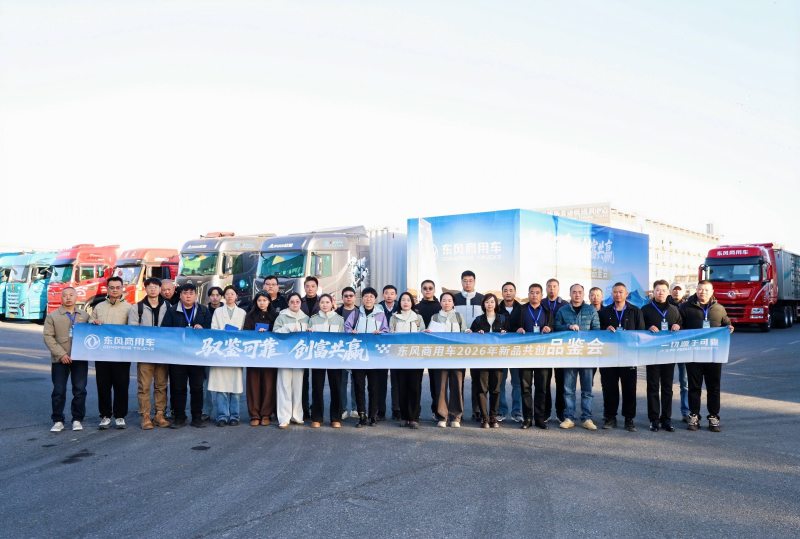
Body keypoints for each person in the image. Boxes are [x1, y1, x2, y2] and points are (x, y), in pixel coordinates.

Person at [680, 280, 734, 432]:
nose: (702, 292)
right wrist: (677, 326)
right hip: (693, 354)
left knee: (713, 387)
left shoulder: (719, 308)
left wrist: (729, 327)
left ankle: (713, 417)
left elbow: (726, 323)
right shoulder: (685, 307)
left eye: (706, 290)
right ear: (696, 290)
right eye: (700, 289)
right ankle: (694, 416)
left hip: (713, 355)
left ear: (712, 292)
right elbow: (679, 325)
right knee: (694, 387)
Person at [162, 282, 212, 428]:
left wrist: (203, 328)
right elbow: (165, 331)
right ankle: (179, 417)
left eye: (191, 293)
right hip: (178, 356)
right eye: (185, 293)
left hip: (197, 356)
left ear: (196, 295)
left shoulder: (203, 310)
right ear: (180, 295)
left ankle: (197, 417)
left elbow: (211, 331)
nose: (188, 296)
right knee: (178, 388)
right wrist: (178, 332)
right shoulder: (172, 311)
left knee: (197, 388)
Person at [598, 282, 645, 432]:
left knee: (629, 389)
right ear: (611, 294)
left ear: (626, 294)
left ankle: (629, 419)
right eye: (615, 292)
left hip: (628, 357)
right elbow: (597, 332)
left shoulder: (635, 311)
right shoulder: (604, 312)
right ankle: (610, 417)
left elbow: (641, 333)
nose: (618, 294)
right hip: (609, 356)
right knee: (609, 389)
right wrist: (605, 329)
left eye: (621, 292)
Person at [43, 287, 91, 432]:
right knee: (59, 390)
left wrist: (96, 322)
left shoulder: (84, 316)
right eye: (65, 295)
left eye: (71, 295)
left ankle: (77, 419)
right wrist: (61, 354)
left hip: (80, 359)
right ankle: (58, 420)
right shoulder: (53, 316)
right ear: (61, 298)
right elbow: (48, 337)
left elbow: (93, 332)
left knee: (80, 390)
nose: (68, 298)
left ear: (76, 297)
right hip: (60, 360)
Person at [128, 277, 172, 430]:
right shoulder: (137, 308)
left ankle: (159, 414)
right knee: (144, 386)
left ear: (160, 289)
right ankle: (145, 416)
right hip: (145, 353)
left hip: (163, 353)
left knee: (161, 385)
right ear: (145, 289)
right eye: (149, 286)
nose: (153, 289)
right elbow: (132, 330)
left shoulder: (168, 306)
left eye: (155, 286)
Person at [554, 284, 600, 430]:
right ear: (570, 294)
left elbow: (597, 330)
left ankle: (587, 418)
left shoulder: (591, 310)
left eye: (580, 292)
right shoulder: (562, 310)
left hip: (587, 356)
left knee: (587, 390)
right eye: (574, 292)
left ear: (583, 294)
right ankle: (569, 417)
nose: (577, 294)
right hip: (569, 354)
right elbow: (556, 327)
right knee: (568, 389)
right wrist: (568, 326)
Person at [641, 280, 683, 432]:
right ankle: (654, 419)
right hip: (652, 353)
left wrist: (678, 325)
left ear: (668, 292)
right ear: (653, 292)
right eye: (658, 290)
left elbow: (681, 325)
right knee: (653, 387)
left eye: (664, 290)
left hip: (668, 354)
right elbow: (638, 327)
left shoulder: (674, 310)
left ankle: (666, 419)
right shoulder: (645, 309)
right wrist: (647, 327)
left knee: (667, 388)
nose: (661, 293)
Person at [345, 287, 389, 427]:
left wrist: (380, 332)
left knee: (374, 387)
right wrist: (351, 331)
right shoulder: (355, 313)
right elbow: (346, 327)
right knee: (359, 387)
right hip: (358, 356)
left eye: (371, 296)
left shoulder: (380, 314)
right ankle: (362, 415)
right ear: (362, 298)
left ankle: (373, 416)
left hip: (374, 356)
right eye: (366, 296)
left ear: (375, 299)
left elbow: (386, 331)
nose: (368, 299)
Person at [90, 276, 130, 429]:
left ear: (122, 288)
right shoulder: (99, 307)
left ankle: (120, 416)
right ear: (107, 289)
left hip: (121, 354)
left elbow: (133, 329)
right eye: (111, 287)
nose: (115, 290)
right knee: (103, 386)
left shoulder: (129, 307)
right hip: (102, 353)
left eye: (118, 287)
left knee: (122, 386)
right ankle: (105, 415)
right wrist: (93, 323)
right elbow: (90, 325)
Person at [468, 293, 508, 428]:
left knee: (496, 389)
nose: (489, 304)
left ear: (496, 304)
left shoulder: (503, 319)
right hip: (482, 360)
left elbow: (511, 336)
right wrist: (474, 333)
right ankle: (484, 418)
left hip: (498, 359)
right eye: (487, 302)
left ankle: (493, 417)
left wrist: (505, 333)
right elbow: (470, 336)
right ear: (483, 304)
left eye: (492, 302)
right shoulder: (478, 320)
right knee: (482, 389)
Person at [517, 283, 554, 430]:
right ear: (528, 294)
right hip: (524, 354)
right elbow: (511, 326)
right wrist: (517, 329)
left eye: (537, 293)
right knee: (525, 388)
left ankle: (540, 418)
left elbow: (554, 328)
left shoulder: (547, 311)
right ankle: (527, 418)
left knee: (541, 388)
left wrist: (550, 328)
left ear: (542, 295)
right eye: (531, 292)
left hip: (542, 355)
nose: (534, 295)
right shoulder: (521, 310)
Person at [209, 285, 246, 427]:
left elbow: (245, 332)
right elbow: (213, 329)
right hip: (221, 352)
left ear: (236, 296)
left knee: (235, 387)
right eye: (227, 294)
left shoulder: (242, 312)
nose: (230, 296)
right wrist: (223, 333)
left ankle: (235, 415)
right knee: (221, 386)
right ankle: (222, 415)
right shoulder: (218, 311)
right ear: (224, 296)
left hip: (235, 352)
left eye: (232, 293)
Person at [273, 292, 309, 428]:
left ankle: (297, 415)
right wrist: (287, 328)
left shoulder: (306, 318)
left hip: (299, 356)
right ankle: (284, 417)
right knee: (284, 386)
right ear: (288, 303)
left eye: (297, 301)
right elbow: (275, 332)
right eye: (292, 302)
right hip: (285, 356)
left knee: (298, 387)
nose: (295, 304)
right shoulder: (281, 316)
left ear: (300, 303)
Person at [390, 291, 426, 429]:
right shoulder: (394, 317)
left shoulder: (418, 317)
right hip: (399, 357)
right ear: (399, 302)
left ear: (412, 302)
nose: (405, 302)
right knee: (402, 387)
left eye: (408, 300)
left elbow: (423, 334)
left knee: (415, 387)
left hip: (415, 357)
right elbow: (390, 335)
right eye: (403, 300)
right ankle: (404, 416)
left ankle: (414, 417)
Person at [430, 292, 466, 428]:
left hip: (457, 356)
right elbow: (431, 335)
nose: (446, 303)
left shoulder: (459, 316)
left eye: (449, 300)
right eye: (444, 300)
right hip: (440, 357)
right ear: (440, 302)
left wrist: (467, 332)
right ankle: (442, 416)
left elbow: (464, 333)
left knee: (457, 386)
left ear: (453, 303)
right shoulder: (435, 317)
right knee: (441, 387)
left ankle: (455, 416)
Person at [308, 294, 345, 428]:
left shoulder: (339, 319)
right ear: (319, 304)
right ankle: (317, 417)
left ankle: (336, 418)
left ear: (331, 303)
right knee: (317, 387)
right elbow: (309, 338)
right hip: (318, 358)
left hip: (334, 358)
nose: (324, 305)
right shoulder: (313, 319)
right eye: (322, 302)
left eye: (327, 302)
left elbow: (343, 339)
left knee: (336, 387)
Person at [452, 270, 485, 422]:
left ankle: (477, 410)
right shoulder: (454, 298)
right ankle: (458, 412)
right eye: (465, 280)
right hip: (458, 343)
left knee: (477, 379)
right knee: (458, 379)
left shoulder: (482, 299)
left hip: (477, 343)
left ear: (475, 281)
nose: (467, 283)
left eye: (470, 280)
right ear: (461, 282)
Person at [243, 291, 278, 426]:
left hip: (270, 355)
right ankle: (254, 414)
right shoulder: (250, 316)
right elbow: (246, 334)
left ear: (269, 301)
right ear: (255, 302)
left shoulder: (275, 316)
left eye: (264, 300)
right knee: (253, 384)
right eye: (259, 300)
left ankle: (266, 414)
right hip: (254, 355)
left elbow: (279, 333)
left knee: (269, 385)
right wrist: (255, 334)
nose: (262, 303)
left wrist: (268, 333)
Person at [415, 279, 441, 421]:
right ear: (421, 290)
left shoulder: (440, 307)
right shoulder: (416, 308)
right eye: (425, 288)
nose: (428, 290)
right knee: (415, 382)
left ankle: (437, 411)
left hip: (435, 349)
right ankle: (415, 412)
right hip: (417, 349)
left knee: (436, 383)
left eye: (430, 288)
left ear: (434, 290)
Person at [498, 281, 523, 422]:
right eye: (505, 290)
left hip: (517, 351)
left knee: (517, 383)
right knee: (500, 383)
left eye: (511, 290)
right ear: (502, 293)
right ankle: (501, 411)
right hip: (500, 352)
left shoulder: (522, 309)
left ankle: (516, 411)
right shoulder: (496, 309)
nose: (508, 292)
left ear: (515, 292)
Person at [544, 278, 568, 423]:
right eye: (549, 286)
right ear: (546, 288)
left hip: (560, 348)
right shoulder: (541, 303)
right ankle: (546, 412)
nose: (552, 289)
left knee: (561, 383)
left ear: (558, 288)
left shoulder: (565, 305)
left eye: (554, 286)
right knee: (545, 383)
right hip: (545, 349)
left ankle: (561, 412)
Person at [336, 286, 359, 419]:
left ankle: (356, 409)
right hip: (341, 351)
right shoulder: (337, 313)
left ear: (355, 297)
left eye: (351, 295)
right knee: (342, 381)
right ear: (342, 298)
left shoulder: (360, 313)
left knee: (356, 381)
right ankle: (343, 409)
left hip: (357, 350)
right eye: (346, 296)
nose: (348, 298)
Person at [202, 286, 224, 421]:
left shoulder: (225, 310)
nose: (215, 297)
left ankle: (223, 412)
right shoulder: (203, 310)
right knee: (206, 381)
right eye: (212, 295)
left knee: (223, 380)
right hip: (208, 349)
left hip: (224, 349)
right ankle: (206, 410)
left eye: (217, 295)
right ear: (209, 297)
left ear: (221, 297)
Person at [299, 276, 320, 420]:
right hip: (302, 344)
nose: (310, 288)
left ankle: (316, 408)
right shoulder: (299, 301)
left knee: (317, 380)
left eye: (313, 286)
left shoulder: (323, 301)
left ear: (317, 287)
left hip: (318, 345)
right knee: (303, 379)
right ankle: (304, 408)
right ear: (304, 287)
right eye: (307, 286)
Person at [669, 283, 690, 420]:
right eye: (674, 290)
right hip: (667, 349)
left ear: (684, 292)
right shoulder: (664, 306)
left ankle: (686, 412)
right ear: (670, 291)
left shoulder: (689, 307)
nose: (676, 292)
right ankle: (664, 415)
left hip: (683, 348)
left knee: (685, 383)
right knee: (665, 385)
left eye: (679, 290)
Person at [378, 285, 400, 421]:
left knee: (396, 381)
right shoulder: (378, 308)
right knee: (380, 380)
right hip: (381, 348)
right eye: (387, 293)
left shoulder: (400, 307)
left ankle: (396, 409)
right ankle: (380, 410)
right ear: (383, 295)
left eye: (392, 293)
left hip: (397, 348)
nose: (389, 296)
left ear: (396, 295)